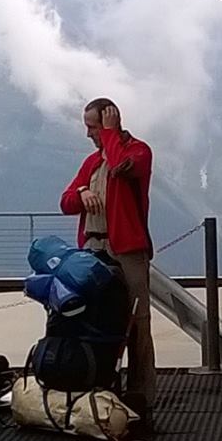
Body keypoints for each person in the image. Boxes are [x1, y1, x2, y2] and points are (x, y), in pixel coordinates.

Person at [58, 98, 157, 417]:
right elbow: (66, 202)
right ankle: (100, 384)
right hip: (93, 247)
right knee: (94, 318)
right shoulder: (90, 163)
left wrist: (112, 134)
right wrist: (82, 193)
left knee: (136, 322)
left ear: (109, 123)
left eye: (93, 126)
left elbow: (120, 168)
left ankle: (141, 394)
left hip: (127, 249)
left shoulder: (138, 152)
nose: (88, 133)